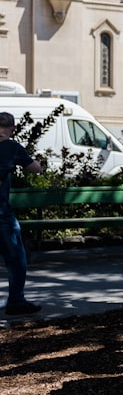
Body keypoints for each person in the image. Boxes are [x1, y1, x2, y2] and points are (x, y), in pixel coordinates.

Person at [0, 112, 42, 315]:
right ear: (13, 128)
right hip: (1, 213)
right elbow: (34, 168)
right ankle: (16, 301)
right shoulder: (11, 147)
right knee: (17, 257)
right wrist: (40, 165)